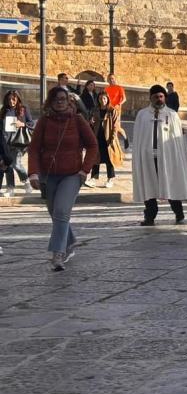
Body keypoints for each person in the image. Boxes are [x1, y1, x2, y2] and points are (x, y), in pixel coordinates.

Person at [28, 87, 98, 271]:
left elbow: (92, 145)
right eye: (56, 99)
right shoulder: (44, 122)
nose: (60, 102)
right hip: (49, 174)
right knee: (55, 213)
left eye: (63, 99)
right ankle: (71, 240)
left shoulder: (77, 120)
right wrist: (33, 173)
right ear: (50, 102)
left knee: (61, 211)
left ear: (69, 101)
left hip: (72, 174)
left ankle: (57, 253)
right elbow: (34, 148)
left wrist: (85, 170)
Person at [133, 85, 187, 226]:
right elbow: (138, 138)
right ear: (150, 98)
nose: (159, 99)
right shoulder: (142, 115)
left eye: (161, 96)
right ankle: (150, 216)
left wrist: (177, 158)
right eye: (156, 97)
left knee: (171, 184)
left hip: (168, 157)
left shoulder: (172, 115)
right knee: (149, 186)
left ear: (165, 98)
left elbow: (177, 139)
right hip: (148, 157)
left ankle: (178, 213)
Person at [1, 90, 35, 197]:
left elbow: (31, 123)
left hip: (19, 142)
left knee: (16, 164)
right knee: (8, 165)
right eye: (9, 99)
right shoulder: (4, 110)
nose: (11, 101)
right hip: (6, 142)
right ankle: (10, 189)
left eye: (14, 99)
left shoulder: (23, 109)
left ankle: (26, 182)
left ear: (18, 99)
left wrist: (22, 124)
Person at [86, 92, 123, 188]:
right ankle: (93, 178)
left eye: (105, 99)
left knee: (109, 159)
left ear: (107, 99)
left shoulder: (112, 110)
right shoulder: (95, 110)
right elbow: (90, 123)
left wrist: (113, 138)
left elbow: (116, 125)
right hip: (97, 136)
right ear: (98, 100)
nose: (103, 101)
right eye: (101, 99)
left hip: (108, 138)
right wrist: (91, 122)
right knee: (96, 158)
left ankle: (110, 179)